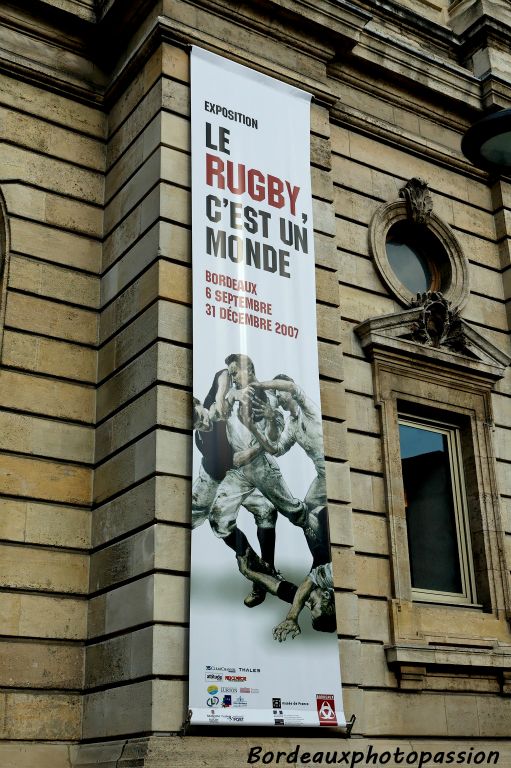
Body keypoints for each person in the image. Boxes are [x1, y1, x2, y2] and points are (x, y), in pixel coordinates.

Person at [209, 354, 309, 605]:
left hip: (261, 466)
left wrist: (252, 449)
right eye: (231, 373)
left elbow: (275, 440)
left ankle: (323, 562)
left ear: (250, 369)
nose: (233, 377)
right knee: (219, 519)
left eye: (236, 372)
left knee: (295, 513)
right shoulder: (232, 394)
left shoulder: (269, 395)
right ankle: (263, 574)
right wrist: (229, 394)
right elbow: (224, 398)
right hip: (239, 471)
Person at [192, 370, 278, 607]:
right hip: (215, 478)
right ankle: (249, 557)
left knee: (267, 510)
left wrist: (227, 393)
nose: (204, 423)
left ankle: (264, 574)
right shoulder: (205, 443)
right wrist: (267, 446)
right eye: (198, 424)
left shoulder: (212, 401)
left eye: (201, 416)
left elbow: (221, 374)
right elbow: (239, 460)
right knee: (205, 519)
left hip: (239, 473)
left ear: (200, 404)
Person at [236, 505, 336, 640]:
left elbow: (277, 587)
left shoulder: (312, 596)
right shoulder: (334, 575)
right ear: (326, 594)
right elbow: (308, 582)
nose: (307, 602)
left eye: (309, 607)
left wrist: (247, 572)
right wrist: (292, 616)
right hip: (323, 512)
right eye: (312, 604)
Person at [246, 375, 326, 510]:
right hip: (323, 475)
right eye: (275, 395)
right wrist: (266, 422)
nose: (277, 397)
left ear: (289, 392)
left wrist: (260, 385)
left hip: (333, 469)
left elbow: (291, 386)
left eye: (279, 393)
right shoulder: (291, 425)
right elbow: (275, 450)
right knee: (309, 507)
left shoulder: (307, 408)